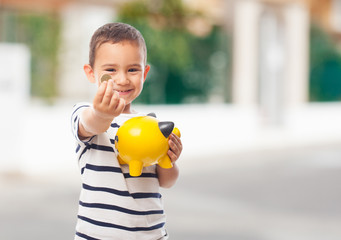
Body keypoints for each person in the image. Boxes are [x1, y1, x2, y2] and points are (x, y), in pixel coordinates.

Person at [70, 22, 183, 240]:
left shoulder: (151, 124)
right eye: (110, 70)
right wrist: (103, 113)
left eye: (133, 69)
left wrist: (169, 159)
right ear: (91, 73)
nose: (122, 79)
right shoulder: (85, 112)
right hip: (98, 235)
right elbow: (92, 124)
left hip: (151, 234)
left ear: (145, 72)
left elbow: (166, 182)